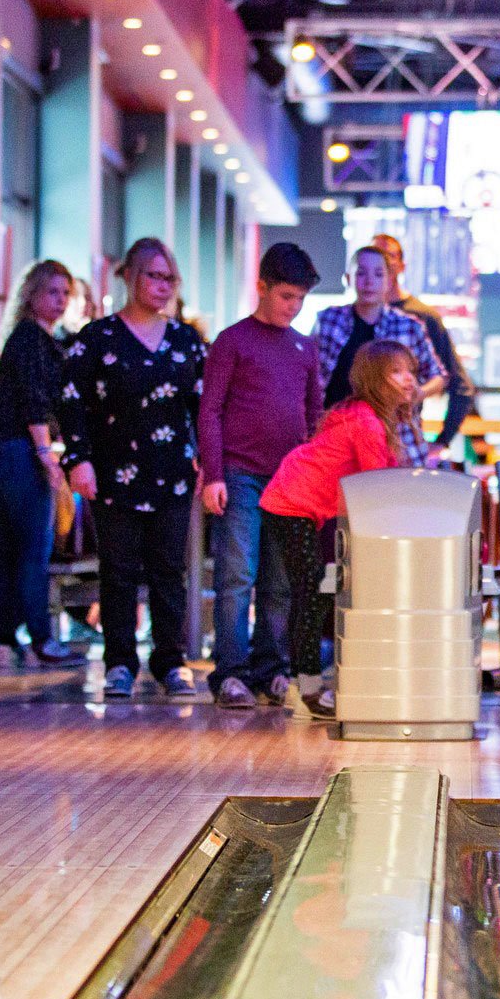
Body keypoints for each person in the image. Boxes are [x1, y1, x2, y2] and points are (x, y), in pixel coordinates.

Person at [60, 238, 205, 700]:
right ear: (130, 277)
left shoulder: (185, 341)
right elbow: (71, 402)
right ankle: (120, 661)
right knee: (118, 570)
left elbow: (203, 407)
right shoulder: (96, 338)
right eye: (153, 276)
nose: (162, 287)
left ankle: (170, 660)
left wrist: (208, 457)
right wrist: (76, 459)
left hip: (172, 471)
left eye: (169, 278)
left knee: (168, 570)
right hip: (113, 471)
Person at [260, 340, 417, 719]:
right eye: (396, 371)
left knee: (310, 590)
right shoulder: (365, 421)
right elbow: (374, 486)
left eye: (410, 370)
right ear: (373, 380)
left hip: (296, 503)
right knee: (310, 591)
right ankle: (307, 690)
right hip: (291, 503)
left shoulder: (371, 417)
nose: (409, 379)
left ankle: (307, 684)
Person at [199, 242, 322, 710]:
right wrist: (214, 473)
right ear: (262, 287)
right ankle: (230, 671)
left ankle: (273, 667)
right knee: (237, 574)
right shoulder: (232, 342)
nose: (292, 307)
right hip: (240, 473)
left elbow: (313, 414)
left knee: (281, 580)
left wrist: (311, 477)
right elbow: (210, 409)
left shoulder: (303, 346)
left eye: (300, 300)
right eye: (286, 296)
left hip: (288, 481)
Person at [0, 261, 85, 667]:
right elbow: (33, 401)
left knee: (7, 547)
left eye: (65, 292)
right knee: (34, 547)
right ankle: (42, 639)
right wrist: (46, 454)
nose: (60, 300)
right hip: (21, 449)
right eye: (52, 291)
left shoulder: (35, 338)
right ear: (31, 293)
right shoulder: (31, 340)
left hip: (7, 449)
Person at [312, 246, 446, 466]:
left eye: (378, 274)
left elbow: (438, 375)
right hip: (336, 437)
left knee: (393, 495)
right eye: (361, 273)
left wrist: (417, 393)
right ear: (348, 278)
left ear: (390, 280)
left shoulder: (409, 326)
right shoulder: (329, 320)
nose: (368, 281)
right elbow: (309, 373)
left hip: (396, 437)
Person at [371, 233, 476, 461]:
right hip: (360, 439)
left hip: (404, 442)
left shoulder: (420, 319)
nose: (384, 264)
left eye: (389, 257)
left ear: (401, 265)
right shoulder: (351, 317)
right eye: (376, 257)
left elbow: (459, 385)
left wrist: (441, 442)